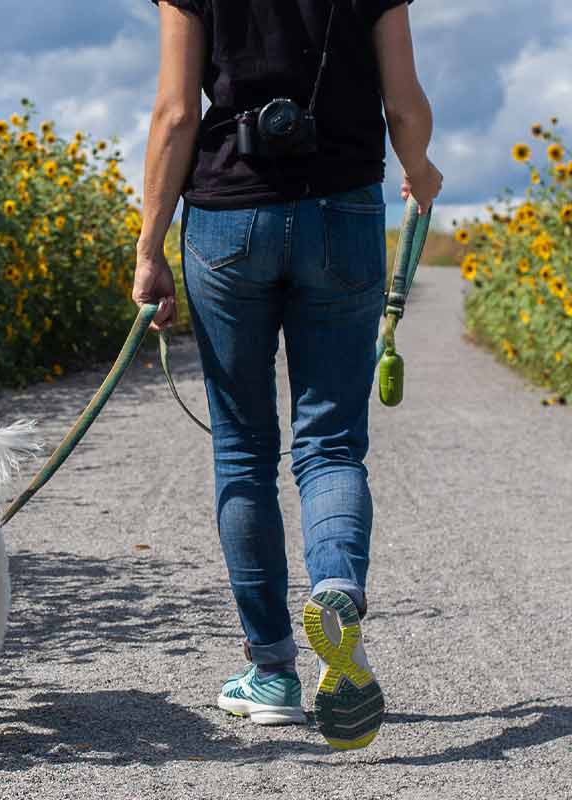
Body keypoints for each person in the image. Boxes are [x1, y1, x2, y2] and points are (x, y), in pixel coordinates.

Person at [134, 0, 442, 751]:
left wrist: (149, 246)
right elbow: (402, 103)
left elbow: (176, 113)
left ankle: (272, 674)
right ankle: (336, 588)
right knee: (331, 444)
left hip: (228, 215)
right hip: (343, 209)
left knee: (242, 449)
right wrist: (420, 167)